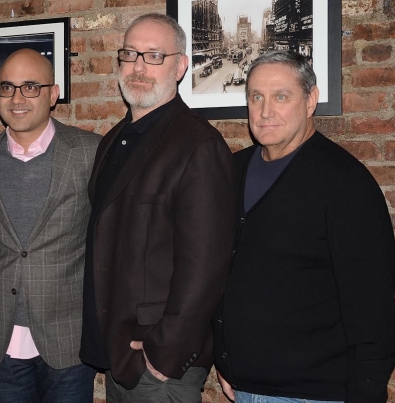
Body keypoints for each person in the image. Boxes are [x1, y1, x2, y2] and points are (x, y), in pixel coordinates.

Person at [214, 50, 395, 403]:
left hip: (312, 394)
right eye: (256, 97)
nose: (266, 111)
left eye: (281, 96)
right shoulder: (230, 172)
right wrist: (223, 357)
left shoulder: (345, 184)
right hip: (243, 387)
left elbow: (373, 309)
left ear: (310, 100)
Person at [80, 13, 236, 403]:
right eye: (130, 54)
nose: (138, 67)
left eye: (154, 56)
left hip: (160, 366)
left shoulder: (199, 145)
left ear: (180, 66)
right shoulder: (112, 141)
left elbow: (206, 266)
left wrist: (163, 354)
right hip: (121, 356)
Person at [0, 48, 100, 403]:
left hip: (68, 337)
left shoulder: (90, 153)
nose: (17, 98)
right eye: (7, 88)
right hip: (2, 338)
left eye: (30, 86)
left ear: (53, 93)